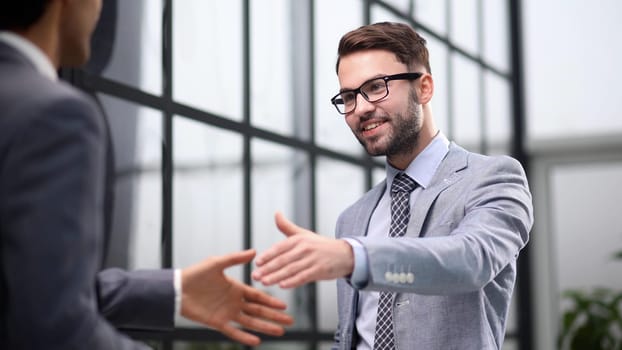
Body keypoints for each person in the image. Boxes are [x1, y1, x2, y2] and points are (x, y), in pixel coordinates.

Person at [0, 0, 293, 349]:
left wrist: (173, 291)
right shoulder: (55, 114)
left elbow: (27, 294)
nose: (100, 10)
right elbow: (53, 327)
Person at [252, 22, 533, 350]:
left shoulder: (492, 178)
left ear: (424, 87)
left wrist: (355, 257)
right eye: (348, 96)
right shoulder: (352, 218)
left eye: (375, 87)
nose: (361, 108)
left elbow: (471, 260)